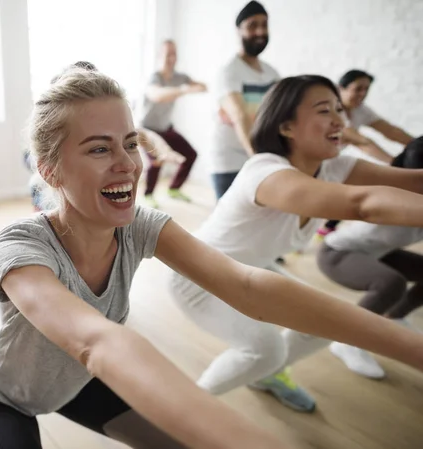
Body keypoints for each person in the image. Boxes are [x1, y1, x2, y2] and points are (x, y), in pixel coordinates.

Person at [0, 68, 423, 449]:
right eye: (99, 148)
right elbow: (96, 343)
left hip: (78, 381)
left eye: (130, 142)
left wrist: (411, 348)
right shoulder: (20, 246)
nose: (127, 163)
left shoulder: (139, 226)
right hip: (4, 394)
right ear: (50, 169)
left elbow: (246, 286)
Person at [168, 74, 423, 413]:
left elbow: (415, 181)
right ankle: (176, 415)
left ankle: (267, 376)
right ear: (286, 127)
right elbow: (360, 204)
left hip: (251, 271)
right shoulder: (266, 172)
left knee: (324, 323)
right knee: (265, 348)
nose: (339, 119)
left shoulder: (334, 167)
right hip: (197, 277)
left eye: (338, 108)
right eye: (324, 110)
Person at [317, 136, 423, 379]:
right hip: (337, 253)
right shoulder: (395, 196)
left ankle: (393, 317)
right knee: (390, 283)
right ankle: (346, 341)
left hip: (379, 252)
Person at [318, 69, 416, 236]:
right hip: (309, 162)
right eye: (358, 89)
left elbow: (391, 131)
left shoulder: (360, 110)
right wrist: (393, 164)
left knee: (350, 187)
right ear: (340, 88)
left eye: (366, 89)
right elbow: (361, 141)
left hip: (330, 161)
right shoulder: (330, 109)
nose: (362, 94)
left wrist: (417, 144)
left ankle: (326, 228)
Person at [211, 1, 280, 200]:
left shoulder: (272, 73)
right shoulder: (229, 72)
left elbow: (280, 114)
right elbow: (240, 115)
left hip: (262, 155)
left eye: (264, 24)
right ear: (239, 31)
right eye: (252, 25)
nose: (260, 31)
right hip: (230, 162)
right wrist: (259, 159)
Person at [138, 39, 206, 208]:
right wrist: (183, 90)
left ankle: (174, 189)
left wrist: (196, 87)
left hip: (166, 128)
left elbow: (202, 86)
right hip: (147, 129)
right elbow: (157, 95)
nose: (171, 58)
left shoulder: (180, 77)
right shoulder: (155, 78)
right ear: (160, 56)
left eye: (174, 54)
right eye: (168, 54)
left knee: (190, 154)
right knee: (157, 159)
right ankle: (148, 195)